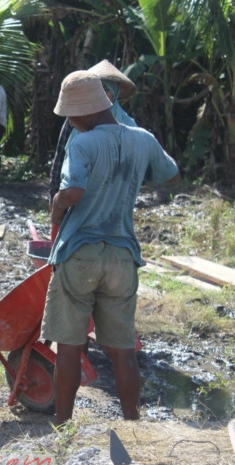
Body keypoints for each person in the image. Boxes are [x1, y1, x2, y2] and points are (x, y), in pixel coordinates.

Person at [43, 71, 179, 426]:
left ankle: (62, 425)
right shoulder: (142, 138)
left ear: (86, 111)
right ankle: (133, 423)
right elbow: (171, 173)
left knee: (69, 346)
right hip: (122, 256)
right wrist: (130, 176)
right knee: (122, 351)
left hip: (80, 253)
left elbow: (74, 192)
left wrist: (56, 206)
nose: (69, 121)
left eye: (71, 114)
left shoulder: (82, 141)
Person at [49, 59, 138, 207]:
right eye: (98, 90)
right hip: (73, 194)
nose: (101, 95)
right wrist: (54, 195)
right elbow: (60, 157)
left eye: (106, 89)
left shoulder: (129, 126)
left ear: (115, 93)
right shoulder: (75, 118)